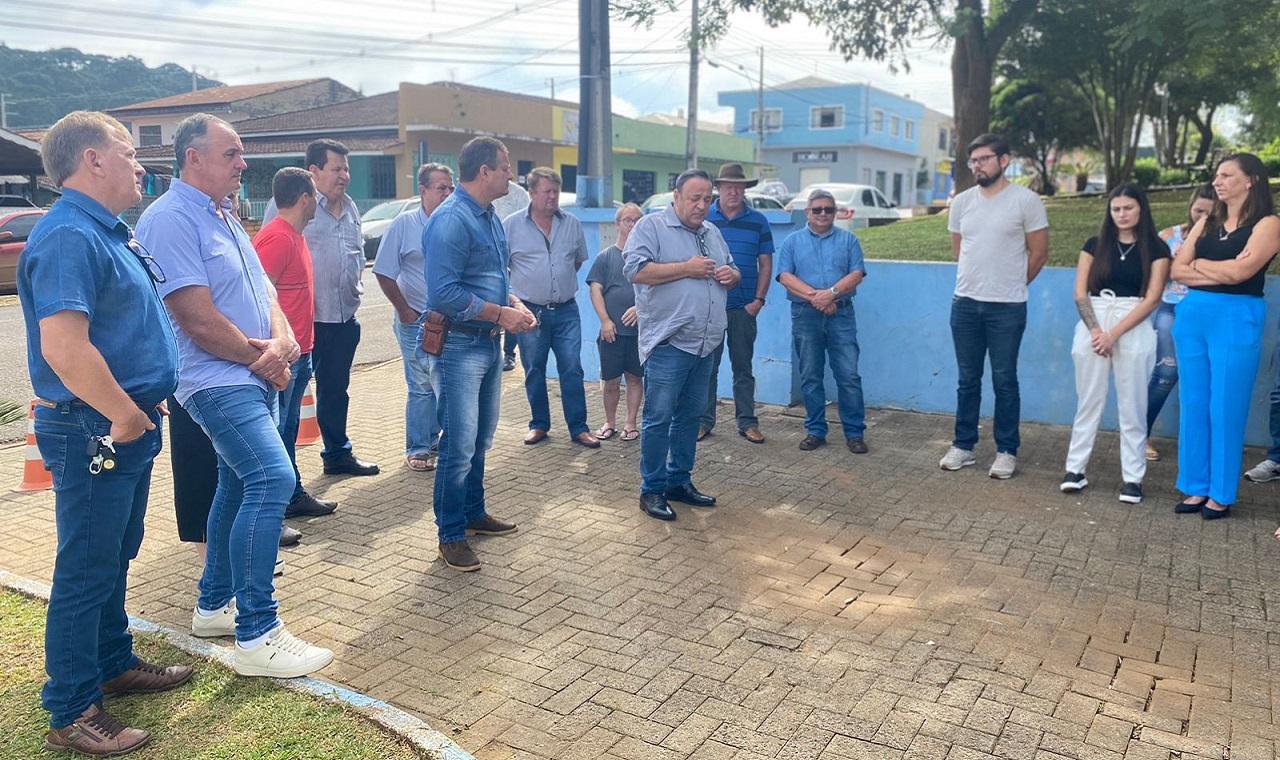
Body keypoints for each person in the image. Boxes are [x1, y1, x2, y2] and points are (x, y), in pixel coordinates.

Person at [19, 111, 192, 757]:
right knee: (87, 566)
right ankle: (71, 708)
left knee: (114, 552)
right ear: (92, 159)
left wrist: (138, 401)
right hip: (96, 427)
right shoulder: (69, 234)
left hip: (123, 421)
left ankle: (113, 663)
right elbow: (64, 347)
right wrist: (123, 411)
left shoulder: (104, 231)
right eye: (128, 152)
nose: (140, 164)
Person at [137, 113, 332, 677]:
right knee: (272, 478)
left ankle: (214, 605)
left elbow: (265, 290)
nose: (243, 163)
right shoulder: (169, 219)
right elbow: (195, 318)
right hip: (215, 381)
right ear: (193, 158)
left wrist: (283, 340)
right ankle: (258, 633)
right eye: (232, 153)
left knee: (236, 484)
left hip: (251, 374)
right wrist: (263, 358)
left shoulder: (223, 213)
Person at [424, 137, 537, 571]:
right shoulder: (451, 219)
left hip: (488, 342)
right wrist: (501, 313)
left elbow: (492, 279)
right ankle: (450, 534)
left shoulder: (489, 217)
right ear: (485, 171)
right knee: (458, 445)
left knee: (479, 440)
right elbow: (444, 294)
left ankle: (473, 513)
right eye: (505, 167)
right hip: (459, 345)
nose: (511, 174)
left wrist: (514, 305)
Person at [624, 169, 740, 521]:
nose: (702, 205)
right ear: (676, 196)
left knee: (690, 417)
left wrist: (731, 275)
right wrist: (686, 268)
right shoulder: (651, 227)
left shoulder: (712, 232)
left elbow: (733, 269)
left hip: (705, 344)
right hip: (669, 343)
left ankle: (678, 481)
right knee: (658, 419)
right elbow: (635, 271)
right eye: (695, 198)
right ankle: (652, 489)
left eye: (707, 199)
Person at [1169, 153, 1280, 519]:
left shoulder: (1268, 224)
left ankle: (1220, 492)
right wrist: (1214, 268)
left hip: (1237, 316)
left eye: (1227, 175)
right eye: (1216, 175)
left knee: (1226, 405)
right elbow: (1177, 270)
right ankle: (1195, 486)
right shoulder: (1207, 221)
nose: (1217, 181)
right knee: (1194, 402)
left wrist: (1200, 264)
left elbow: (1241, 273)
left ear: (1251, 181)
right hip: (1193, 314)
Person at [264, 139, 379, 477]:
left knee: (336, 391)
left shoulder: (351, 207)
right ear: (313, 171)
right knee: (289, 408)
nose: (344, 175)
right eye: (336, 168)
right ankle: (288, 479)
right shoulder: (290, 207)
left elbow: (356, 255)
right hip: (306, 323)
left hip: (343, 318)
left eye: (346, 169)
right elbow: (270, 272)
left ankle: (338, 454)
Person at [939, 133, 1049, 479]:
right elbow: (959, 250)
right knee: (967, 380)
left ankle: (1006, 450)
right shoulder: (962, 202)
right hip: (965, 304)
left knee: (1004, 380)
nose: (977, 166)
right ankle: (963, 445)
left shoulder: (1026, 201)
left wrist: (1014, 284)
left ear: (1004, 160)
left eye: (984, 159)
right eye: (973, 161)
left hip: (1007, 308)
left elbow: (1039, 253)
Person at [1059, 186, 1170, 504]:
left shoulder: (1157, 249)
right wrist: (1097, 331)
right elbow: (1080, 292)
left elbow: (1153, 298)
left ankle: (1133, 479)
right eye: (1116, 209)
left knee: (1133, 405)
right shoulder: (1094, 245)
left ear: (1141, 209)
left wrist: (1114, 334)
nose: (1122, 214)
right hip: (1094, 321)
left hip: (1133, 322)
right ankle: (1075, 470)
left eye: (1128, 208)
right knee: (1088, 401)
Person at [253, 167, 337, 519]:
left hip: (302, 352)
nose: (319, 201)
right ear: (305, 199)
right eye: (315, 195)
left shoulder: (295, 236)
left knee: (287, 431)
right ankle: (277, 505)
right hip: (285, 357)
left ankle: (291, 496)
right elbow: (259, 299)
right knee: (276, 434)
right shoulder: (277, 238)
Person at [504, 167, 599, 448]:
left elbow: (577, 261)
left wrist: (554, 282)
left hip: (566, 310)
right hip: (530, 312)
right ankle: (539, 424)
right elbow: (501, 268)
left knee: (572, 369)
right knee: (534, 369)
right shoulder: (511, 226)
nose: (552, 197)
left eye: (556, 191)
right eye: (547, 191)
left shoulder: (572, 224)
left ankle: (579, 428)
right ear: (532, 193)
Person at [776, 189, 869, 454]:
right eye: (817, 209)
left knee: (848, 375)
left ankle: (854, 433)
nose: (823, 214)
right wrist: (817, 298)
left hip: (842, 314)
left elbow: (857, 273)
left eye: (829, 209)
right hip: (805, 315)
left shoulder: (849, 240)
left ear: (835, 212)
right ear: (807, 212)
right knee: (810, 375)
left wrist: (831, 294)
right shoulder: (793, 241)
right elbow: (785, 276)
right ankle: (815, 431)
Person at [374, 163, 453, 471]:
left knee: (443, 382)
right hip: (416, 320)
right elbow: (383, 271)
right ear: (423, 190)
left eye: (450, 188)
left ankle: (434, 439)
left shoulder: (455, 224)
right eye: (441, 188)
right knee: (420, 384)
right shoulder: (404, 225)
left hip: (451, 321)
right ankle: (418, 448)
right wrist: (405, 311)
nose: (447, 193)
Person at [700, 163, 774, 443]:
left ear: (745, 190)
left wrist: (758, 300)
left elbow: (765, 263)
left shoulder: (758, 221)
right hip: (710, 308)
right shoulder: (705, 218)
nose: (734, 191)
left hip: (744, 308)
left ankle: (747, 422)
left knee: (743, 368)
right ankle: (703, 421)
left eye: (739, 187)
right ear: (718, 188)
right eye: (728, 186)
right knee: (707, 368)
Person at [1146, 185, 1216, 461]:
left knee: (1207, 378)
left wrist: (1184, 269)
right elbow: (1157, 274)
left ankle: (1202, 443)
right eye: (1198, 211)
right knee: (1166, 373)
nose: (1203, 218)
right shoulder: (1169, 236)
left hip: (1207, 310)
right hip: (1172, 308)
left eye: (1210, 214)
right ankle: (1139, 435)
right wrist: (1187, 270)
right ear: (1190, 207)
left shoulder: (1222, 239)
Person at [587, 203, 645, 442]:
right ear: (617, 224)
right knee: (610, 381)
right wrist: (605, 321)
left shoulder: (647, 258)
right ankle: (609, 422)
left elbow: (656, 291)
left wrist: (640, 308)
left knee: (635, 379)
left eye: (637, 220)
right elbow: (595, 289)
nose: (632, 225)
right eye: (627, 220)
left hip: (640, 334)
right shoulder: (606, 257)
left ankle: (630, 423)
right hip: (612, 333)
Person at [495, 180, 532, 372]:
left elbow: (527, 222)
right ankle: (496, 353)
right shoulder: (482, 194)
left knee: (514, 303)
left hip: (515, 255)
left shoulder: (518, 194)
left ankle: (509, 353)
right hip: (494, 257)